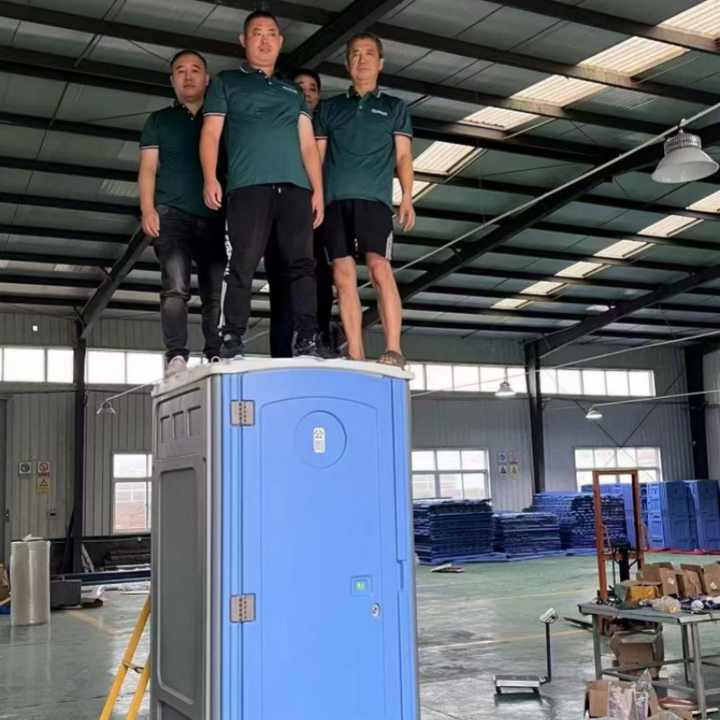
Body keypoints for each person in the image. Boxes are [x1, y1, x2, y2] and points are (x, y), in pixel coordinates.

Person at [200, 10, 325, 359]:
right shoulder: (226, 82)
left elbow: (307, 145)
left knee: (303, 265)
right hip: (248, 186)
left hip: (296, 189)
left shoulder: (292, 91)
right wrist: (210, 177)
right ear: (244, 40)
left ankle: (307, 337)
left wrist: (318, 191)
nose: (265, 40)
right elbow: (211, 133)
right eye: (257, 33)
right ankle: (231, 335)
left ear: (280, 42)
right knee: (243, 261)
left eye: (271, 33)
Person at [315, 32, 415, 368]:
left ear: (380, 62)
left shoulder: (394, 108)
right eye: (355, 54)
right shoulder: (330, 108)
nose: (362, 59)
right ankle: (355, 353)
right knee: (342, 275)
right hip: (334, 203)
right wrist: (315, 197)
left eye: (369, 53)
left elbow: (403, 156)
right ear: (347, 63)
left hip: (374, 201)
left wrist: (407, 197)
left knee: (379, 268)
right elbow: (317, 158)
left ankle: (393, 349)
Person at [138, 49, 226, 377]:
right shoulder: (159, 120)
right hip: (171, 213)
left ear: (207, 78)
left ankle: (216, 352)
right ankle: (176, 355)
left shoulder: (221, 120)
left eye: (195, 70)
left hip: (215, 213)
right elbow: (148, 168)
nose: (188, 76)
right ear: (172, 79)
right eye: (180, 71)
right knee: (175, 286)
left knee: (214, 291)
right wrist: (147, 208)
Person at [266, 68, 338, 357]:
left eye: (312, 88)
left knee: (320, 282)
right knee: (281, 284)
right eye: (300, 87)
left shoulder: (326, 129)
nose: (307, 93)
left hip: (317, 216)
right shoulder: (279, 126)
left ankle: (317, 342)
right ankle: (281, 353)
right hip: (280, 212)